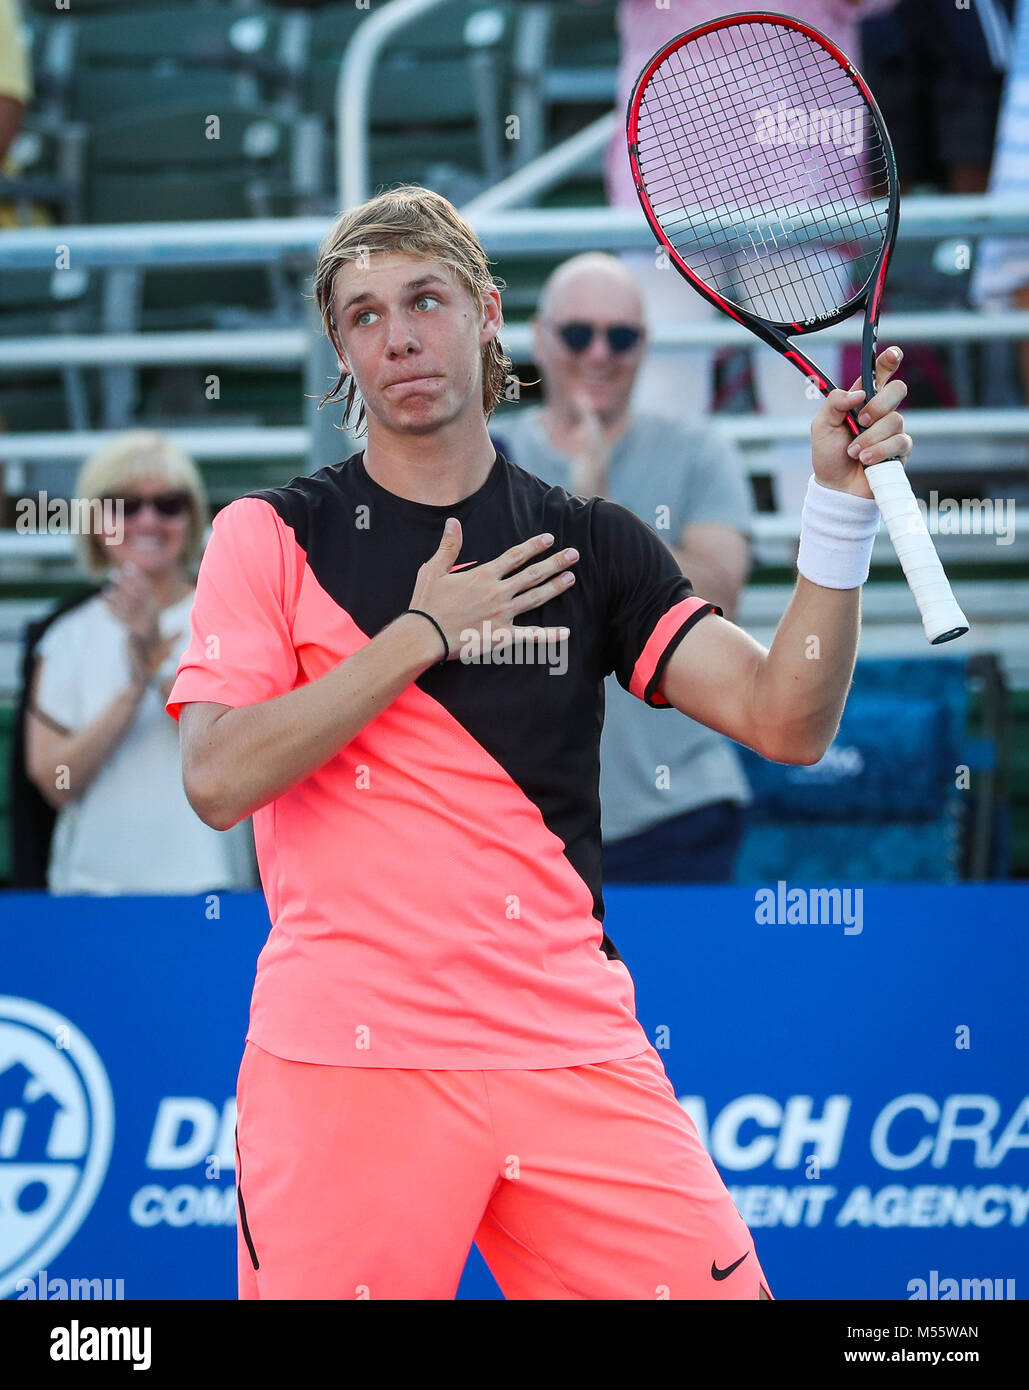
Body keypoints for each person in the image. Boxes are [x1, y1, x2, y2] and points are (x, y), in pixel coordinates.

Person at [168, 185, 911, 1300]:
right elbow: (218, 779)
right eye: (364, 315)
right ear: (341, 348)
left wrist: (837, 508)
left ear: (487, 312)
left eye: (426, 297)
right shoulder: (267, 534)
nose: (400, 335)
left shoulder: (594, 543)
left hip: (571, 1047)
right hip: (346, 1060)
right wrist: (421, 635)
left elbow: (784, 719)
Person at [494, 252, 753, 882]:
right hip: (521, 825)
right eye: (579, 334)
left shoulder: (699, 451)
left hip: (676, 814)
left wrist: (607, 515)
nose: (600, 353)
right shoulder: (485, 459)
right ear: (540, 337)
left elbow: (721, 596)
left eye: (623, 336)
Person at [603, 0, 900, 509]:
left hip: (805, 193)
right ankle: (656, 574)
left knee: (810, 406)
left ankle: (822, 571)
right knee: (663, 396)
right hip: (663, 188)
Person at [23, 431, 257, 895]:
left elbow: (240, 761)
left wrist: (154, 661)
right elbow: (56, 783)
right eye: (124, 505)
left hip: (212, 889)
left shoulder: (236, 616)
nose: (147, 520)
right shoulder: (65, 635)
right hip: (90, 893)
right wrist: (133, 688)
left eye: (168, 504)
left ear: (190, 519)